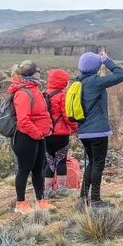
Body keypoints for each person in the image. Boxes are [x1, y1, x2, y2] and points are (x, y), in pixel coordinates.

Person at [76, 50, 123, 208]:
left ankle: (83, 196)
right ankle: (96, 200)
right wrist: (106, 60)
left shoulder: (78, 82)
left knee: (91, 163)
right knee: (98, 163)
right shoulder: (95, 81)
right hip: (97, 131)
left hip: (84, 131)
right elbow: (120, 75)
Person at [8, 61, 54, 214]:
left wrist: (45, 129)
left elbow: (41, 114)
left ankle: (40, 200)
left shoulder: (34, 89)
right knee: (24, 170)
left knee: (39, 169)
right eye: (38, 70)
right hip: (25, 137)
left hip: (38, 136)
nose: (40, 72)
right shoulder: (23, 93)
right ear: (32, 73)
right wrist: (37, 133)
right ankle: (20, 203)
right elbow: (23, 121)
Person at [43, 68, 80, 196]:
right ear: (63, 81)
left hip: (47, 134)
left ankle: (46, 189)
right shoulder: (62, 96)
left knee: (50, 162)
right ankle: (61, 189)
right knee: (61, 160)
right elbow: (67, 116)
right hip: (61, 134)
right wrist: (77, 129)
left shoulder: (44, 94)